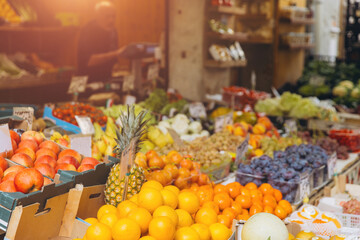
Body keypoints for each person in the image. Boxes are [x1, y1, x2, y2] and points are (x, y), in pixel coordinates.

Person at [77, 1, 124, 83]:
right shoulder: (88, 31)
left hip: (107, 79)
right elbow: (89, 61)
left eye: (113, 16)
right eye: (107, 16)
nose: (111, 20)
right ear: (98, 16)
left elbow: (114, 57)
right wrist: (116, 54)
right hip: (87, 81)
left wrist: (117, 66)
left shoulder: (113, 31)